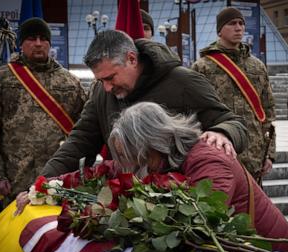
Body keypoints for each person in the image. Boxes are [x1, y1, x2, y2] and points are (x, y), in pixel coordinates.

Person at [41, 30, 248, 178]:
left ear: (131, 59)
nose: (106, 88)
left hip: (183, 204)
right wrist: (43, 183)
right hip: (131, 204)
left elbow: (234, 123)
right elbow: (79, 142)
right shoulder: (102, 93)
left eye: (111, 78)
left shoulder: (183, 82)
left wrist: (223, 132)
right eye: (100, 80)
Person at [108, 102, 288, 252]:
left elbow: (199, 225)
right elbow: (116, 169)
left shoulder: (209, 161)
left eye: (133, 155)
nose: (132, 164)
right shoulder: (170, 158)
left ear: (152, 144)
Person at [0, 18, 87, 203]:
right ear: (21, 44)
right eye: (31, 39)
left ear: (49, 43)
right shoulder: (2, 80)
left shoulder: (70, 82)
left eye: (43, 39)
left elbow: (85, 129)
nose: (38, 44)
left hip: (59, 181)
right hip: (16, 180)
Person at [191, 7, 275, 180]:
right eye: (232, 24)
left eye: (241, 24)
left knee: (253, 206)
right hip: (220, 152)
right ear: (220, 30)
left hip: (254, 155)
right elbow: (193, 113)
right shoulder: (203, 67)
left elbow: (268, 112)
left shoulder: (257, 66)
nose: (239, 28)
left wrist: (269, 154)